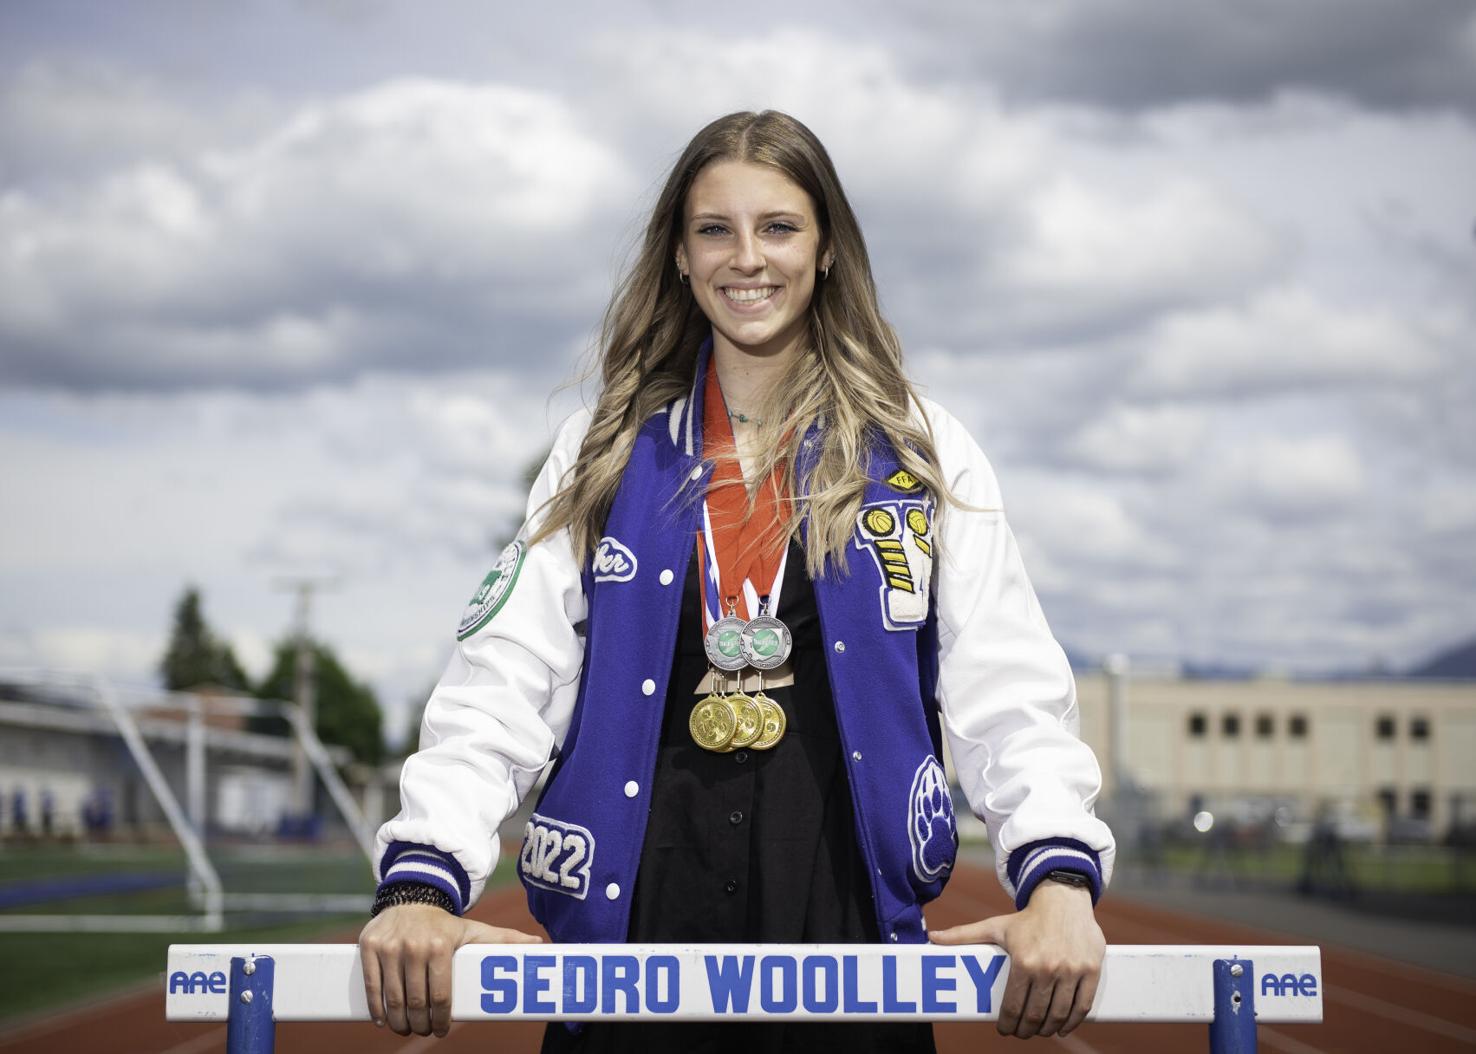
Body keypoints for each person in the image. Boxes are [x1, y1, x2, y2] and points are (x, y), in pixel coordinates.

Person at [359, 110, 1114, 1051]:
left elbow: (1006, 691)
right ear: (678, 255)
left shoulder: (921, 450)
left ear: (828, 247)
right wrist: (426, 877)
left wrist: (1058, 883)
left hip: (847, 943)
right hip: (632, 947)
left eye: (780, 227)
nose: (746, 258)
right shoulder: (604, 449)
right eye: (715, 229)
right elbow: (505, 678)